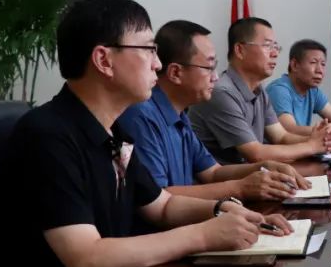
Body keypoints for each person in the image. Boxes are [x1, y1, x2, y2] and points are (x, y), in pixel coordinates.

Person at [0, 0, 292, 267]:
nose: (157, 64)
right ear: (104, 60)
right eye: (148, 49)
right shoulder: (47, 136)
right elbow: (88, 261)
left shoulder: (113, 130)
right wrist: (205, 235)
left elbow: (162, 205)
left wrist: (225, 211)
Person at [118, 20, 311, 203]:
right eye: (209, 67)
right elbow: (159, 197)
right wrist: (240, 188)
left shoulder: (179, 115)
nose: (216, 77)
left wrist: (262, 167)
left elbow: (212, 172)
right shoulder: (141, 116)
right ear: (176, 73)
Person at [189, 17, 331, 164]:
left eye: (276, 47)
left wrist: (319, 140)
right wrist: (312, 146)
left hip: (250, 175)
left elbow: (281, 137)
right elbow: (256, 154)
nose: (275, 54)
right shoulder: (222, 92)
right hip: (222, 179)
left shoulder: (259, 91)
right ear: (240, 50)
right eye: (267, 46)